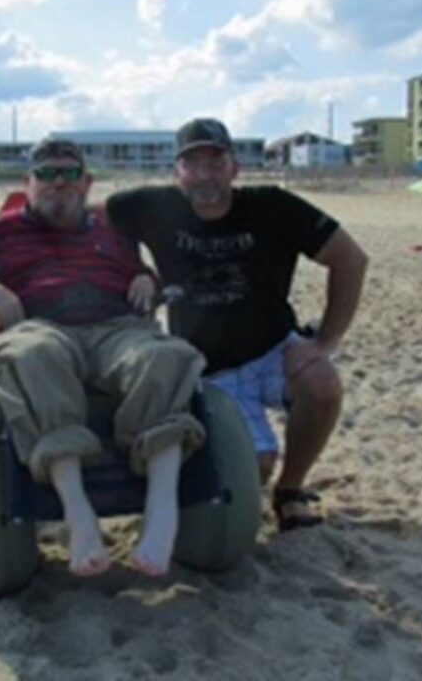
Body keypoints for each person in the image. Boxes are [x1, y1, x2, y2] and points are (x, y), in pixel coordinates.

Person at [0, 138, 206, 577]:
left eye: (68, 173)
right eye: (45, 173)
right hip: (38, 326)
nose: (57, 182)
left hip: (115, 328)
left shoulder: (110, 230)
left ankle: (161, 507)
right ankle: (76, 510)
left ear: (86, 183)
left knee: (167, 357)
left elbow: (144, 274)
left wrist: (143, 275)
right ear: (28, 183)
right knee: (33, 354)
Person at [104, 118, 369, 531]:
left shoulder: (271, 205)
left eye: (216, 163)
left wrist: (325, 341)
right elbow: (82, 216)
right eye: (193, 165)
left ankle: (291, 490)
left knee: (322, 384)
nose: (205, 175)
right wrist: (134, 268)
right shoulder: (153, 207)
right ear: (178, 173)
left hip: (273, 350)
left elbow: (350, 258)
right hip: (208, 368)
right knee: (252, 469)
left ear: (235, 168)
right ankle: (263, 476)